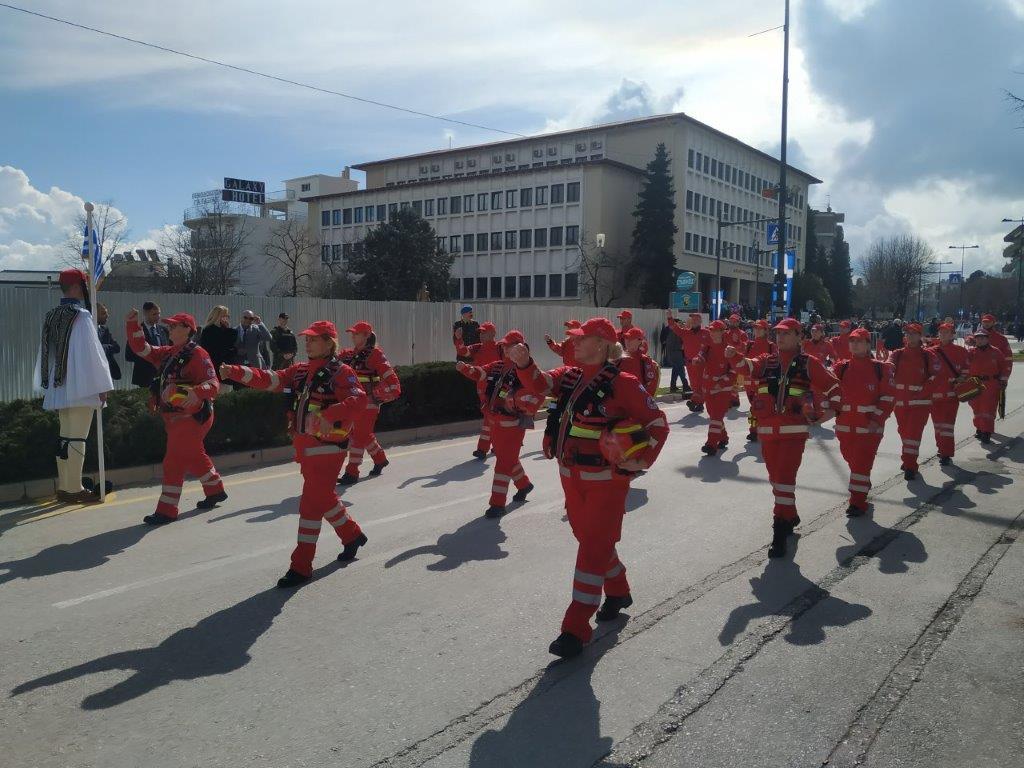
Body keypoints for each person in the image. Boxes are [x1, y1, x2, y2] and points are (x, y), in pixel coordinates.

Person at [507, 317, 669, 658]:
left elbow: (657, 423)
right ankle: (618, 590)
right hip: (570, 477)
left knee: (592, 546)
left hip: (606, 482)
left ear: (601, 344)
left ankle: (575, 628)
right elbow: (540, 384)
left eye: (581, 339)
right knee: (590, 541)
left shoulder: (624, 383)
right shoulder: (570, 376)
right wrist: (524, 363)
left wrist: (641, 460)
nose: (574, 343)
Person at [220, 321, 368, 587]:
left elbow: (359, 400)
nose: (307, 343)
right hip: (305, 448)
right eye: (307, 339)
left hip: (327, 449)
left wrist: (329, 414)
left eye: (313, 339)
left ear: (329, 343)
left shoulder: (341, 372)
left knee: (310, 505)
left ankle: (301, 566)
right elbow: (270, 379)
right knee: (324, 498)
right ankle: (352, 535)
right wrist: (235, 371)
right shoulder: (300, 371)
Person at [727, 318, 841, 558]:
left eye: (787, 333)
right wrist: (734, 356)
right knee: (776, 480)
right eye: (778, 333)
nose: (780, 337)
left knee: (784, 480)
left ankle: (779, 533)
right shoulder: (766, 361)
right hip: (768, 432)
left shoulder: (809, 363)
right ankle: (790, 514)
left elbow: (834, 387)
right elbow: (747, 367)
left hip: (793, 434)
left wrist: (829, 413)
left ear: (799, 336)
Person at [125, 309, 227, 525]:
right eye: (169, 325)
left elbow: (213, 384)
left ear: (188, 330)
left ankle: (167, 510)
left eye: (174, 325)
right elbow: (140, 348)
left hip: (192, 417)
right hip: (173, 417)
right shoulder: (168, 352)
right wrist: (133, 325)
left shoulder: (198, 354)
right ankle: (215, 490)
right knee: (195, 455)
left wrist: (196, 392)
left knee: (173, 461)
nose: (169, 328)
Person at [36, 268, 114, 503]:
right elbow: (92, 354)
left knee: (66, 437)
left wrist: (49, 384)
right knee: (77, 437)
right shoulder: (81, 316)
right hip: (80, 385)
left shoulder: (52, 315)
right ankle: (74, 489)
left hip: (59, 385)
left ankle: (65, 486)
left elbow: (46, 354)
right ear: (78, 287)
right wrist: (102, 384)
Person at [457, 330, 540, 517]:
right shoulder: (498, 366)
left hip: (513, 425)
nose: (505, 348)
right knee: (507, 458)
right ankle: (524, 485)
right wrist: (466, 369)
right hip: (495, 421)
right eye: (504, 345)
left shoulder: (527, 370)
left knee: (503, 463)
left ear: (521, 347)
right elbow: (481, 373)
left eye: (509, 345)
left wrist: (524, 406)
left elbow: (537, 393)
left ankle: (497, 504)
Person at [831, 328, 896, 516]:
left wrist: (877, 419)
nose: (855, 344)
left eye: (859, 341)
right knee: (852, 460)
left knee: (860, 464)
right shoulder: (841, 367)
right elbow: (825, 388)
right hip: (844, 426)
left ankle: (857, 502)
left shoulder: (881, 369)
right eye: (852, 341)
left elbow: (888, 397)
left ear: (868, 345)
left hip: (869, 427)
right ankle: (862, 482)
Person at [338, 321, 401, 484]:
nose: (352, 336)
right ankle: (380, 459)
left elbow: (392, 379)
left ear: (366, 336)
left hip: (369, 402)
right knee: (362, 434)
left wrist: (381, 394)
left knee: (358, 436)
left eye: (356, 333)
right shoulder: (347, 354)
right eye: (352, 333)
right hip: (352, 401)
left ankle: (352, 472)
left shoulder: (376, 355)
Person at [889, 323, 936, 480]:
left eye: (914, 333)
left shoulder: (928, 355)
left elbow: (935, 377)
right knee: (904, 432)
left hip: (920, 403)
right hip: (901, 403)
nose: (910, 336)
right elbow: (889, 367)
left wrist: (922, 393)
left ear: (920, 336)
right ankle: (907, 459)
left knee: (913, 434)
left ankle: (910, 466)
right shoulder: (897, 354)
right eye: (908, 333)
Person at [929, 322, 969, 465]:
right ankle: (941, 449)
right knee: (938, 426)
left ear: (953, 335)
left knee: (947, 426)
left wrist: (961, 379)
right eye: (941, 332)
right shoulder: (931, 351)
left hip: (951, 396)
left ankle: (946, 453)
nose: (943, 335)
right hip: (934, 397)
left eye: (946, 332)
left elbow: (967, 370)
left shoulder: (961, 351)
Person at [692, 320, 735, 454]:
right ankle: (723, 437)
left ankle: (711, 445)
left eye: (716, 331)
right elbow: (701, 356)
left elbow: (734, 371)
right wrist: (697, 360)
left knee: (716, 417)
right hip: (708, 388)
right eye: (711, 330)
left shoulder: (729, 349)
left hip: (723, 390)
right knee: (714, 417)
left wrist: (721, 383)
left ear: (722, 332)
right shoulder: (707, 347)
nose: (713, 333)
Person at [965, 329, 1010, 443]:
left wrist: (1003, 380)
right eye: (978, 338)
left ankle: (987, 432)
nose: (980, 340)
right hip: (974, 384)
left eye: (982, 338)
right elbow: (963, 366)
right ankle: (979, 428)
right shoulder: (970, 352)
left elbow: (1004, 367)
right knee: (976, 408)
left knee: (988, 409)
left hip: (991, 384)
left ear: (987, 339)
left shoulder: (996, 352)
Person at [666, 311, 710, 412]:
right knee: (694, 384)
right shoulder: (686, 333)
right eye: (692, 319)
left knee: (699, 384)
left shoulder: (706, 333)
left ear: (700, 321)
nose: (694, 321)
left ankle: (696, 401)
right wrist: (670, 318)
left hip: (702, 363)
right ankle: (698, 403)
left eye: (696, 319)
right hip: (689, 363)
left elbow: (713, 345)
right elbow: (674, 328)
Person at [743, 319, 775, 442]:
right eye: (755, 328)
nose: (757, 330)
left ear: (766, 331)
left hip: (763, 383)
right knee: (753, 407)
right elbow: (744, 362)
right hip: (749, 383)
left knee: (759, 407)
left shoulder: (771, 346)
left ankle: (755, 430)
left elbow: (775, 363)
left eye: (760, 328)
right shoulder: (749, 345)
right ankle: (755, 429)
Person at [124, 301, 168, 388]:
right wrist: (149, 357)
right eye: (154, 314)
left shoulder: (164, 330)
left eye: (159, 313)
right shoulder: (137, 330)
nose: (158, 316)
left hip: (162, 375)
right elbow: (129, 355)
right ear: (145, 313)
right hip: (145, 376)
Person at [618, 327, 660, 397]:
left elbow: (651, 386)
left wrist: (642, 400)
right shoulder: (619, 359)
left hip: (637, 398)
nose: (627, 341)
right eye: (626, 338)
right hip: (621, 398)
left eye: (630, 338)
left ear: (639, 341)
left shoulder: (645, 360)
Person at [199, 306, 238, 379]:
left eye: (227, 316)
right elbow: (206, 348)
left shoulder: (228, 330)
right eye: (225, 316)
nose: (227, 318)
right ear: (218, 316)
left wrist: (227, 328)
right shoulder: (207, 330)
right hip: (213, 363)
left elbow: (232, 344)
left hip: (226, 363)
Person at [979, 314, 1013, 381]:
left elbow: (1008, 358)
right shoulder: (976, 337)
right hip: (978, 378)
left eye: (989, 322)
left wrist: (1005, 376)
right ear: (981, 322)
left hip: (994, 378)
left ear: (993, 323)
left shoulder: (1001, 339)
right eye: (984, 322)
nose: (986, 323)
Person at [659, 320, 687, 394]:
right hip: (676, 353)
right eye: (680, 324)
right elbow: (680, 344)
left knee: (675, 370)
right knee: (681, 370)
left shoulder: (673, 332)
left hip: (674, 353)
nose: (682, 325)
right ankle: (685, 385)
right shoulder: (675, 332)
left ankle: (673, 386)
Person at [95, 303, 121, 381]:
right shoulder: (87, 330)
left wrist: (103, 347)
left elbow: (117, 348)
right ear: (94, 314)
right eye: (103, 313)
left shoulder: (105, 329)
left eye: (107, 313)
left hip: (106, 371)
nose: (107, 315)